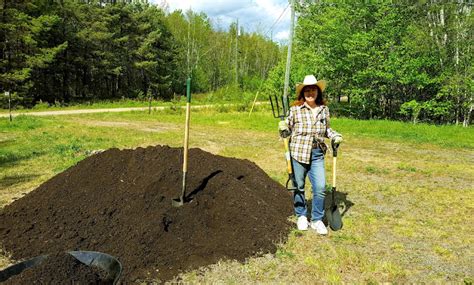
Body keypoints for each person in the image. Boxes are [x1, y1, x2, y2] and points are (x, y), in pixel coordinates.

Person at [278, 75, 343, 235]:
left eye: (313, 90)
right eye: (307, 90)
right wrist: (283, 127)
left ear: (318, 92)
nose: (310, 93)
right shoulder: (295, 110)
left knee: (320, 188)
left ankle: (316, 219)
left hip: (317, 153)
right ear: (303, 93)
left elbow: (326, 129)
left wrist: (334, 135)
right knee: (298, 186)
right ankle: (301, 215)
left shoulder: (324, 110)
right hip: (299, 152)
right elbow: (286, 129)